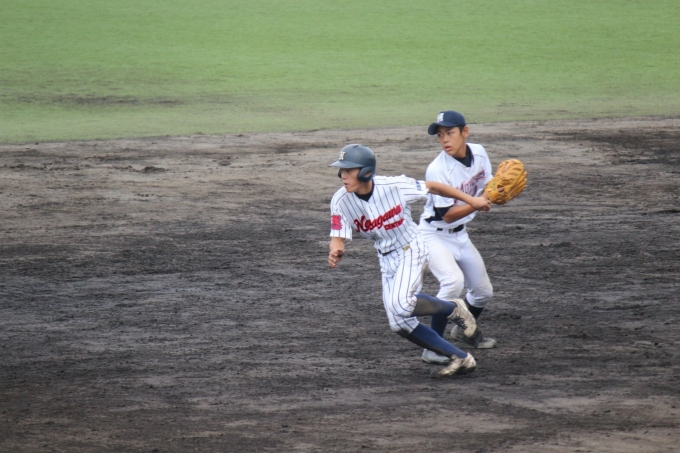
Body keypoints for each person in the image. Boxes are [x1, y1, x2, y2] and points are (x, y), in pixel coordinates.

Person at [327, 143, 491, 378]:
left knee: (402, 304)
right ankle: (461, 358)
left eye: (348, 170)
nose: (343, 175)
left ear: (366, 172)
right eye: (341, 170)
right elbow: (337, 236)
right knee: (399, 323)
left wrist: (472, 201)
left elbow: (434, 187)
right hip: (386, 258)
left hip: (411, 247)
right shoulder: (340, 200)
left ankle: (453, 308)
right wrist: (336, 249)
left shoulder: (394, 186)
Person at [418, 110, 497, 366]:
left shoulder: (479, 153)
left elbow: (489, 186)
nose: (444, 140)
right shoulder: (437, 169)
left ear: (465, 132)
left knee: (483, 292)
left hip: (460, 235)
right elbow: (448, 215)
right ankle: (432, 347)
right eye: (440, 135)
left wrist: (498, 192)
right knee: (452, 282)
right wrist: (477, 203)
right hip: (433, 235)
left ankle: (463, 330)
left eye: (449, 133)